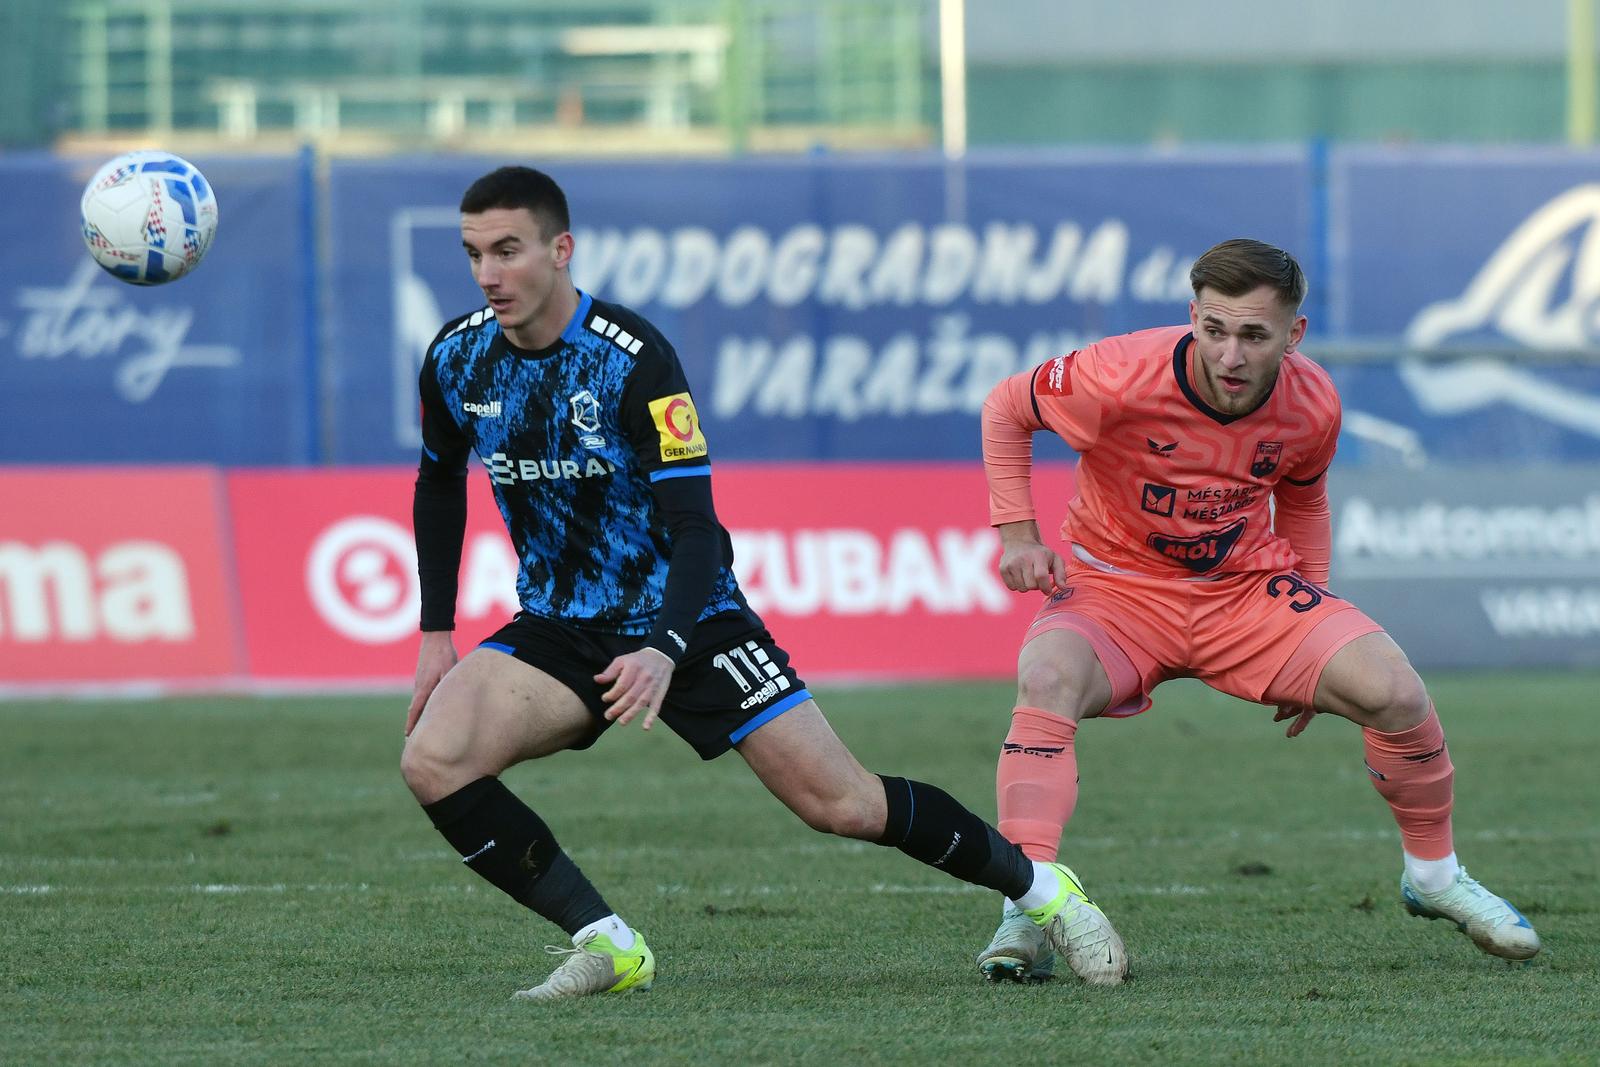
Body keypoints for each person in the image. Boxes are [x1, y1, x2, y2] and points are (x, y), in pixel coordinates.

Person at [398, 165, 1126, 1001]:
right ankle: (608, 943)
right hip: (560, 626)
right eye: (474, 254)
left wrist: (667, 648)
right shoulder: (457, 358)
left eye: (509, 250)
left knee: (843, 803)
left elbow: (698, 531)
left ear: (561, 250)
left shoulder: (631, 360)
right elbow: (437, 480)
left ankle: (1044, 892)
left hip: (692, 620)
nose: (490, 274)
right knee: (434, 758)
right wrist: (434, 632)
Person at [974, 238, 1540, 983]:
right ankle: (1029, 905)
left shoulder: (1313, 403)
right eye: (1213, 329)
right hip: (1118, 591)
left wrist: (1315, 623)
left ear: (1293, 335)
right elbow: (1007, 406)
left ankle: (1434, 878)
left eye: (1252, 334)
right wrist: (1018, 532)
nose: (1230, 354)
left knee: (1395, 690)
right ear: (1193, 318)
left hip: (1242, 594)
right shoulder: (1116, 374)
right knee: (1045, 678)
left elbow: (1302, 497)